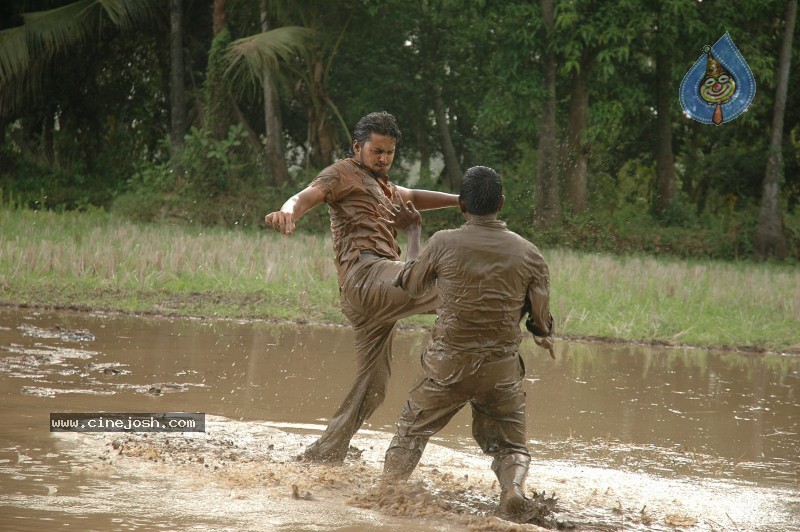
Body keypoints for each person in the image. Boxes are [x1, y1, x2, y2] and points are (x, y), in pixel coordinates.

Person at [265, 111, 459, 463]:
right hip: (366, 276)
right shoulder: (341, 173)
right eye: (377, 152)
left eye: (389, 153)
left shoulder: (383, 185)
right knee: (451, 288)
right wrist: (287, 211)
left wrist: (461, 202)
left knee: (373, 387)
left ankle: (324, 453)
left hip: (378, 291)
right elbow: (306, 196)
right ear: (357, 147)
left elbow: (412, 193)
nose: (384, 159)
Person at [381, 165, 555, 521]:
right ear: (501, 204)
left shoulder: (443, 242)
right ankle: (512, 492)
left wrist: (414, 232)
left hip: (446, 366)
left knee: (411, 432)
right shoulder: (529, 253)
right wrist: (542, 334)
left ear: (461, 206)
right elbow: (540, 318)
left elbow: (412, 286)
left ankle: (386, 495)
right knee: (511, 447)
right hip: (501, 369)